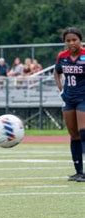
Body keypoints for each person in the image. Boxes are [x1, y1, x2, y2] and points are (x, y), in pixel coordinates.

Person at [53, 27, 85, 182]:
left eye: (74, 40)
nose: (72, 43)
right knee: (74, 135)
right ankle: (79, 171)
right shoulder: (62, 56)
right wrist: (60, 89)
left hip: (83, 98)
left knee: (83, 132)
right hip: (68, 98)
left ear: (80, 40)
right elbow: (56, 72)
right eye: (68, 40)